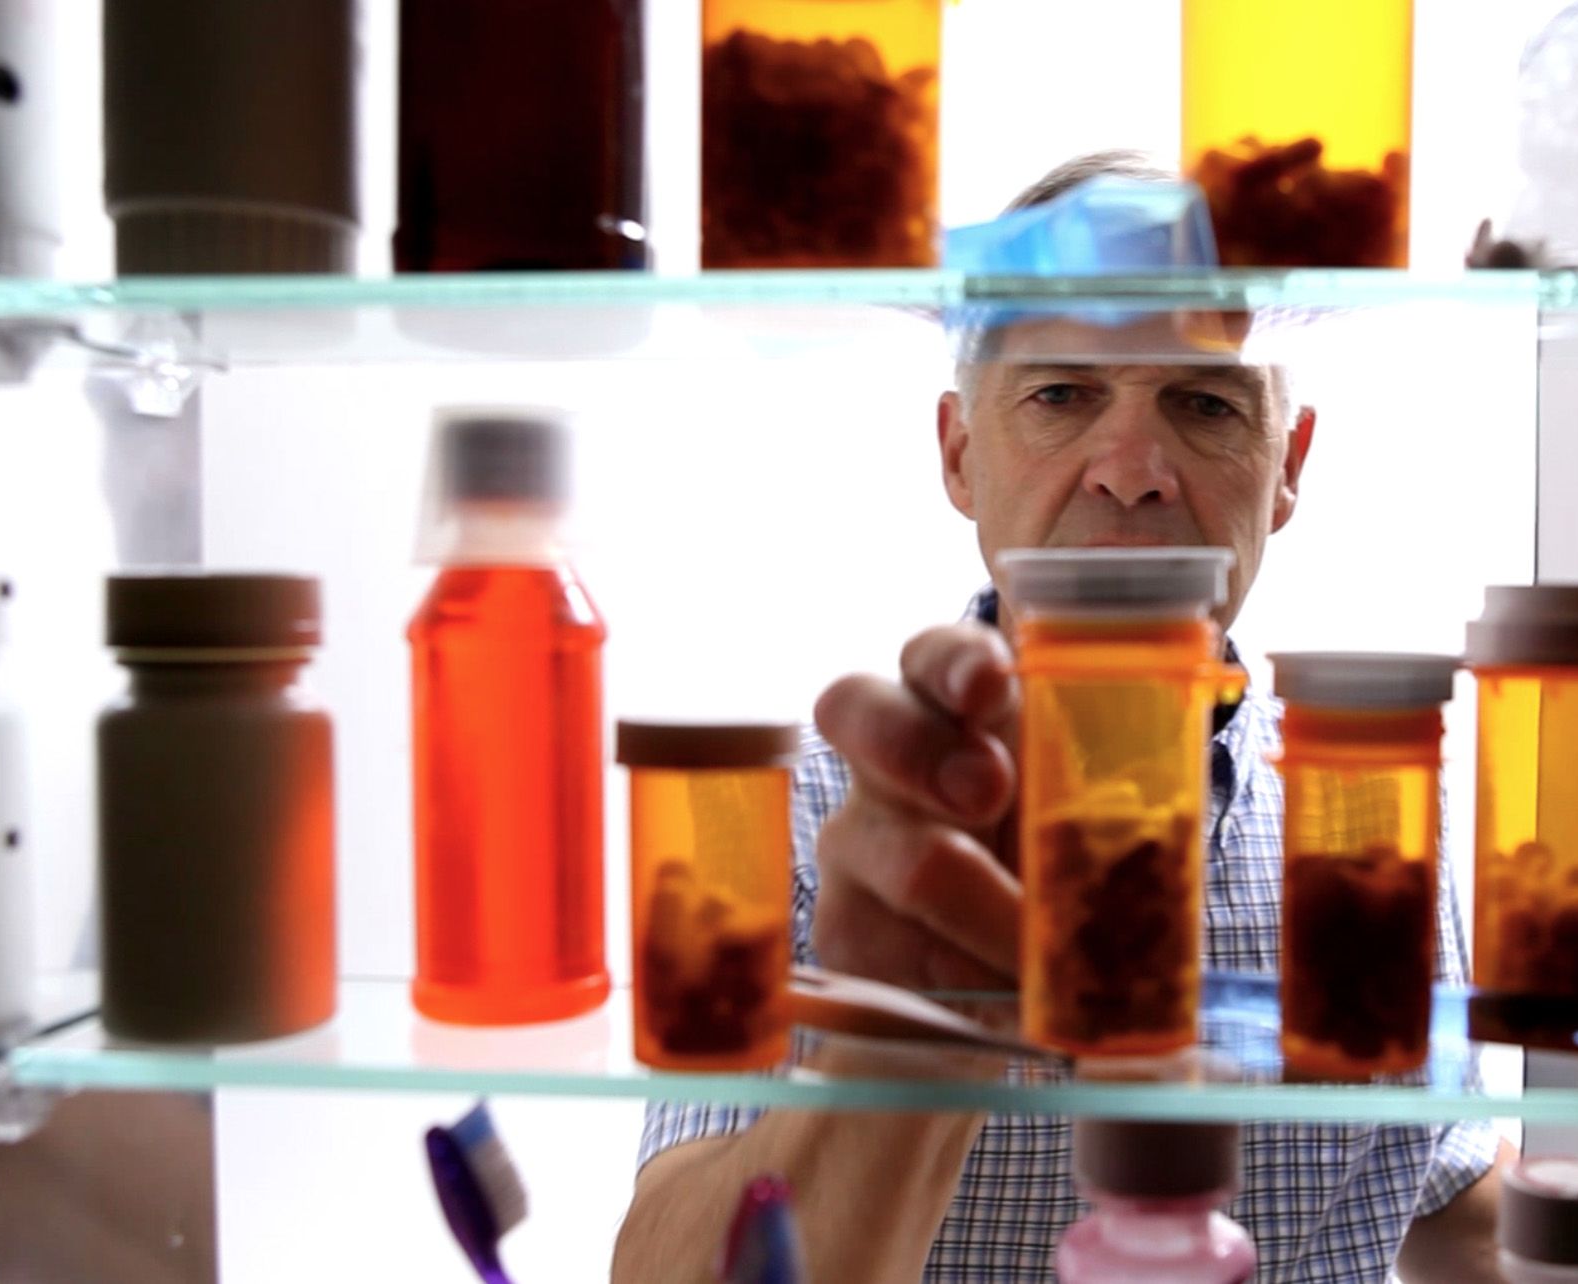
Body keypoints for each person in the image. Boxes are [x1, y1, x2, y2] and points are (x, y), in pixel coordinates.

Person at [613, 153, 1510, 1283]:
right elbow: (667, 1264)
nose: (1131, 471)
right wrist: (903, 1050)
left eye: (1202, 404)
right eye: (1060, 395)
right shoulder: (795, 816)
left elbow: (1451, 1200)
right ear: (958, 452)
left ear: (1287, 464)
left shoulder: (1372, 810)